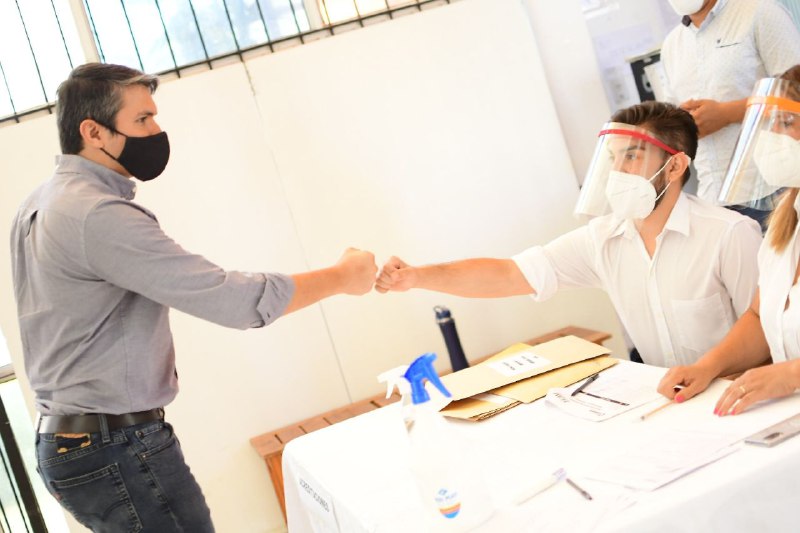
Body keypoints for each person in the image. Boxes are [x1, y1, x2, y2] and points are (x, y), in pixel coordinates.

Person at [9, 63, 377, 532]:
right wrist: (343, 277)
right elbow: (234, 301)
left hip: (72, 443)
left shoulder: (38, 204)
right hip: (115, 445)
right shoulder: (95, 214)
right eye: (142, 119)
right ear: (93, 132)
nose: (156, 131)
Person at [376, 101, 763, 368]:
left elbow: (766, 333)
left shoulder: (729, 235)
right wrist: (418, 276)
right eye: (613, 158)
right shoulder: (603, 239)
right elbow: (510, 274)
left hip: (741, 399)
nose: (617, 172)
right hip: (673, 404)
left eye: (631, 156)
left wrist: (709, 374)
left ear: (675, 167)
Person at [657, 65, 800, 416]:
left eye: (785, 122)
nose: (771, 138)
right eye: (768, 124)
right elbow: (760, 316)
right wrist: (707, 367)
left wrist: (792, 374)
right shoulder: (785, 223)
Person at [660, 0, 800, 229]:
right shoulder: (671, 46)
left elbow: (796, 91)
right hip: (714, 202)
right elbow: (673, 116)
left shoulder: (760, 12)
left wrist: (727, 114)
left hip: (773, 189)